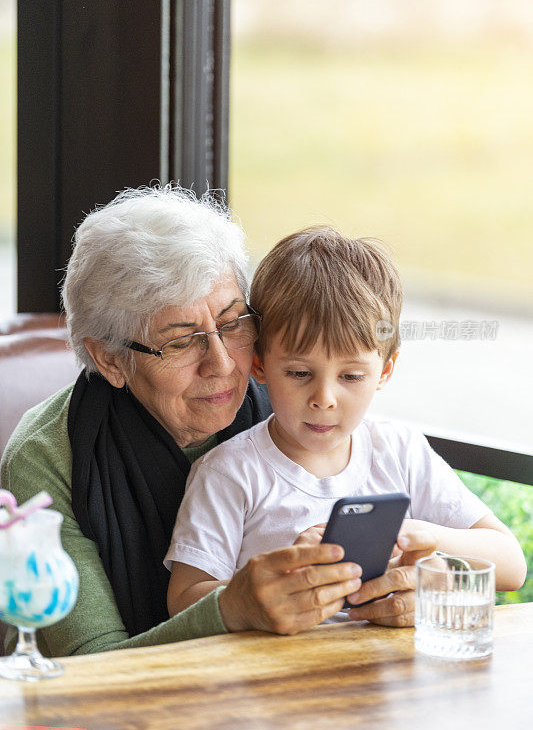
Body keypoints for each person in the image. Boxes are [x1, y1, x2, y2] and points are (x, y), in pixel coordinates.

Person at [1, 187, 432, 657]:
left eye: (232, 323)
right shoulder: (47, 457)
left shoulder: (296, 398)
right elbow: (92, 663)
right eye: (182, 342)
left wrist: (415, 584)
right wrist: (230, 609)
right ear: (111, 359)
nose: (225, 364)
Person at [166, 228, 526, 622]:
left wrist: (420, 538)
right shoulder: (230, 474)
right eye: (300, 372)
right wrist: (264, 589)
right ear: (259, 366)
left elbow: (510, 564)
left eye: (351, 377)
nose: (324, 398)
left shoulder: (399, 451)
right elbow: (183, 600)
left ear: (385, 370)